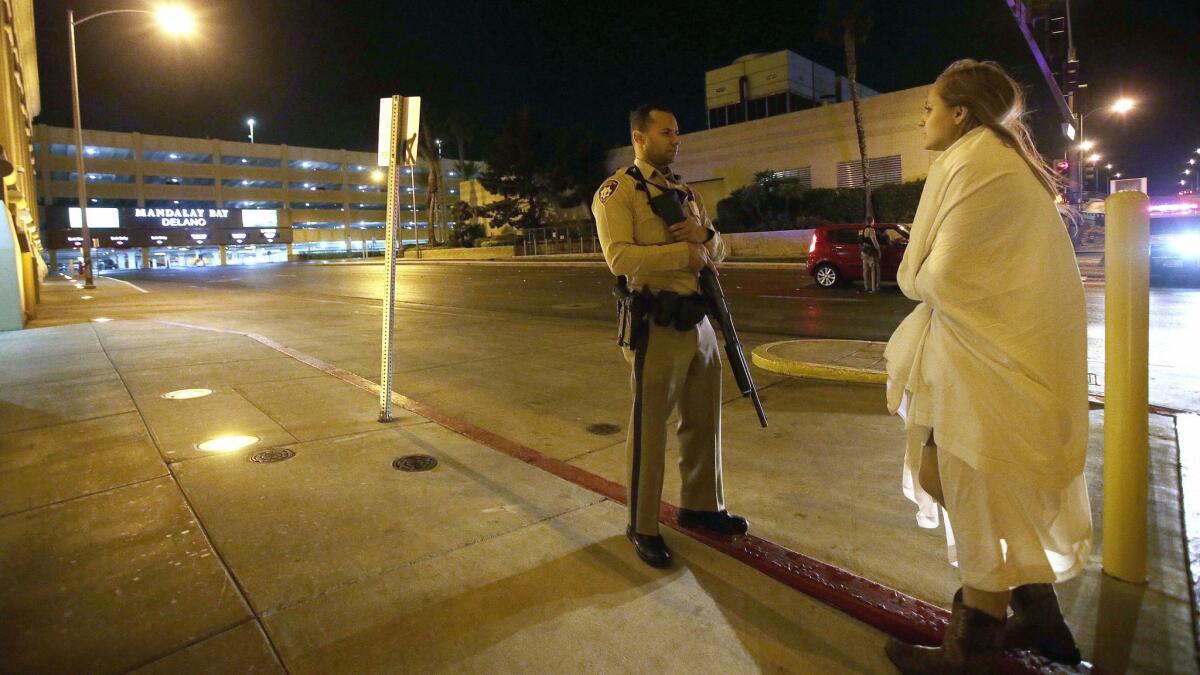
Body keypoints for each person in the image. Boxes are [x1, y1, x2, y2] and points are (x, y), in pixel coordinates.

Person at [882, 60, 1092, 673]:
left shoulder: (974, 162)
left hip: (987, 365)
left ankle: (971, 649)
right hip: (994, 356)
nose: (924, 117)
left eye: (930, 105)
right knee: (957, 479)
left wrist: (912, 277)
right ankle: (1040, 617)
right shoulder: (993, 160)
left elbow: (943, 275)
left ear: (961, 113)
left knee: (969, 486)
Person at [592, 104, 749, 569]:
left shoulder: (684, 191)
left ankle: (701, 507)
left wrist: (706, 234)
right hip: (654, 323)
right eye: (666, 133)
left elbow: (717, 250)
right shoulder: (616, 192)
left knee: (704, 421)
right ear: (640, 137)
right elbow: (619, 258)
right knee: (649, 430)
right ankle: (642, 525)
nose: (675, 140)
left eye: (678, 133)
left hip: (699, 321)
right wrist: (684, 252)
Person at [860, 224, 882, 293]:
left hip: (864, 252)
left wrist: (861, 252)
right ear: (872, 222)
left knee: (865, 271)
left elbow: (860, 243)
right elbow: (874, 241)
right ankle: (874, 288)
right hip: (870, 253)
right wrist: (879, 250)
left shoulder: (861, 231)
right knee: (873, 270)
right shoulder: (871, 230)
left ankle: (866, 287)